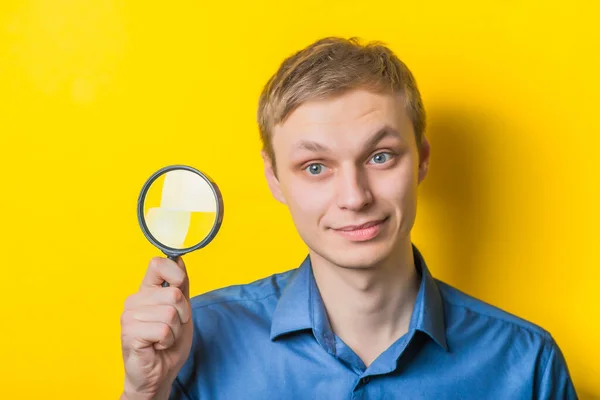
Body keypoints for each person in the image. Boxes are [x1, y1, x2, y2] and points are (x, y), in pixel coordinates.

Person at [120, 37, 577, 399]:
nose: (354, 197)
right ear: (275, 178)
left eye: (380, 157)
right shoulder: (193, 339)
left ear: (420, 160)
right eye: (315, 167)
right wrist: (146, 392)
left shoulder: (527, 363)